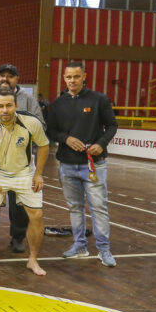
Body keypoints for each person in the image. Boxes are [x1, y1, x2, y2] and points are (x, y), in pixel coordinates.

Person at [0, 87, 49, 276]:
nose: (5, 110)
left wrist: (38, 174)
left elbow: (44, 146)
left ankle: (33, 260)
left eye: (8, 105)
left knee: (36, 216)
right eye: (1, 106)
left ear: (16, 105)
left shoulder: (31, 122)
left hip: (24, 173)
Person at [48, 61, 118, 267]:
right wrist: (65, 139)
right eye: (68, 77)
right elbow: (51, 131)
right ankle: (80, 245)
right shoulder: (57, 104)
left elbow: (112, 125)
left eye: (76, 77)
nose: (72, 81)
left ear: (84, 76)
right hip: (67, 166)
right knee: (75, 208)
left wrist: (101, 144)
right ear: (64, 78)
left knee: (99, 207)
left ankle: (104, 250)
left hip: (93, 165)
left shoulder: (99, 100)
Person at [0, 64, 45, 254]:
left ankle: (18, 237)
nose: (6, 79)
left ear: (17, 79)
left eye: (11, 76)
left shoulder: (29, 100)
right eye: (2, 75)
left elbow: (41, 125)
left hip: (20, 160)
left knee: (20, 205)